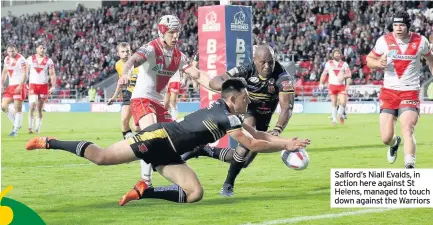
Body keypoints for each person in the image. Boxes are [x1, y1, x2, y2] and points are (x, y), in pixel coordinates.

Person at [25, 78, 311, 206]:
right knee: (101, 157)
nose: (248, 102)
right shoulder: (226, 116)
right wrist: (285, 146)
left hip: (172, 153)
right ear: (233, 98)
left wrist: (287, 141)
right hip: (158, 138)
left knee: (194, 193)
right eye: (245, 98)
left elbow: (257, 135)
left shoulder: (227, 113)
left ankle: (143, 192)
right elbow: (253, 144)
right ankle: (51, 141)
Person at [183, 45, 296, 197]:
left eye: (271, 62)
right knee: (245, 145)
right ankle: (228, 185)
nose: (267, 66)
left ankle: (203, 150)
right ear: (254, 61)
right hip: (247, 109)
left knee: (244, 160)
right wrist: (230, 85)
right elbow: (215, 81)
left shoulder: (283, 78)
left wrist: (277, 129)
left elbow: (286, 108)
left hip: (265, 116)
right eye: (263, 62)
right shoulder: (245, 69)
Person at [117, 15, 213, 192]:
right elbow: (132, 60)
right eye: (171, 33)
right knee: (151, 136)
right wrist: (125, 73)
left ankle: (134, 150)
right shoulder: (151, 48)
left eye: (177, 32)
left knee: (174, 141)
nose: (175, 36)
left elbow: (198, 75)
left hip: (159, 103)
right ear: (162, 32)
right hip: (142, 99)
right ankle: (145, 182)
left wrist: (221, 87)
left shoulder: (179, 56)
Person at [366, 11, 433, 169]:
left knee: (407, 127)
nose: (398, 28)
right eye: (395, 25)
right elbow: (369, 60)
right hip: (389, 92)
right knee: (386, 137)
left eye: (401, 25)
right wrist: (378, 64)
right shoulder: (384, 41)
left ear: (408, 26)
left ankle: (409, 166)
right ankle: (395, 143)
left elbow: (430, 58)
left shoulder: (421, 41)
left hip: (410, 91)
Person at [107, 42, 140, 139]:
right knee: (124, 121)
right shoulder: (118, 65)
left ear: (131, 52)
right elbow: (121, 82)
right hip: (129, 93)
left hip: (141, 94)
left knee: (136, 127)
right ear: (118, 54)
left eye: (127, 51)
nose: (126, 53)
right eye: (123, 52)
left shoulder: (139, 62)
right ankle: (128, 144)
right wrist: (114, 97)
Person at [27, 43, 56, 134]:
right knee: (32, 105)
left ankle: (37, 128)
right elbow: (25, 72)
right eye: (40, 48)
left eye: (44, 48)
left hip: (43, 86)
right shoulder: (30, 59)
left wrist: (53, 86)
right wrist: (23, 83)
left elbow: (52, 74)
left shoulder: (49, 61)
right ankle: (30, 127)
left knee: (39, 108)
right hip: (33, 85)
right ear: (36, 49)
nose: (42, 49)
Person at [319, 49, 352, 125]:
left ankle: (340, 113)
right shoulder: (329, 63)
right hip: (332, 85)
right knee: (334, 103)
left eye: (338, 53)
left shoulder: (344, 64)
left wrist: (343, 76)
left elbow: (349, 74)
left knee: (343, 101)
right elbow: (324, 74)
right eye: (336, 54)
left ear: (340, 55)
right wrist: (321, 83)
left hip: (341, 86)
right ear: (333, 55)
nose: (337, 55)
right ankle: (334, 120)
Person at [1, 44, 27, 136]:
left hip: (19, 85)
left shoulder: (21, 59)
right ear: (7, 51)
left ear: (16, 50)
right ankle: (16, 123)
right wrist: (1, 84)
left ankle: (15, 130)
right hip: (10, 86)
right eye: (9, 51)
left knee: (17, 108)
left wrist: (20, 85)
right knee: (3, 106)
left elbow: (25, 74)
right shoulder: (6, 59)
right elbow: (4, 72)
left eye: (13, 51)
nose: (11, 53)